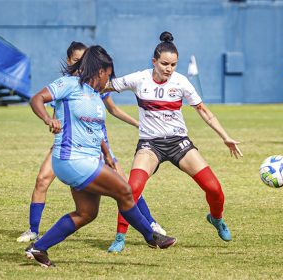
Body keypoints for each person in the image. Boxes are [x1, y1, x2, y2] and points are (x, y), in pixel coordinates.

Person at [26, 45, 176, 267]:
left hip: (88, 159)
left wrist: (108, 155)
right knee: (125, 190)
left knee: (86, 213)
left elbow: (97, 133)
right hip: (71, 158)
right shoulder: (69, 85)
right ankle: (151, 236)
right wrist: (49, 119)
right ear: (99, 71)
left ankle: (38, 248)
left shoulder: (96, 95)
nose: (109, 79)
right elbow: (36, 99)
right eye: (108, 74)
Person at [104, 32, 243, 254]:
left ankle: (216, 219)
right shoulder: (138, 79)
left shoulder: (181, 81)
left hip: (179, 142)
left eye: (173, 65)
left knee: (214, 188)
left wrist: (224, 136)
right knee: (131, 189)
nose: (169, 69)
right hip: (150, 145)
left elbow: (203, 111)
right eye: (164, 64)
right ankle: (120, 237)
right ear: (154, 62)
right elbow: (105, 86)